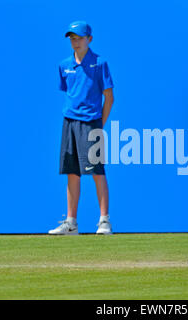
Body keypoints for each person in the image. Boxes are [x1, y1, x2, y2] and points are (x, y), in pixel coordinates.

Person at [49, 21, 114, 235]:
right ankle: (71, 223)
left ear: (90, 39)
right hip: (69, 122)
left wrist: (99, 125)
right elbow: (69, 93)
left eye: (79, 38)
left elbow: (109, 98)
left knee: (97, 171)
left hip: (92, 122)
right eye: (72, 38)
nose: (75, 42)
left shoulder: (100, 63)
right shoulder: (64, 65)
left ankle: (104, 221)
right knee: (72, 173)